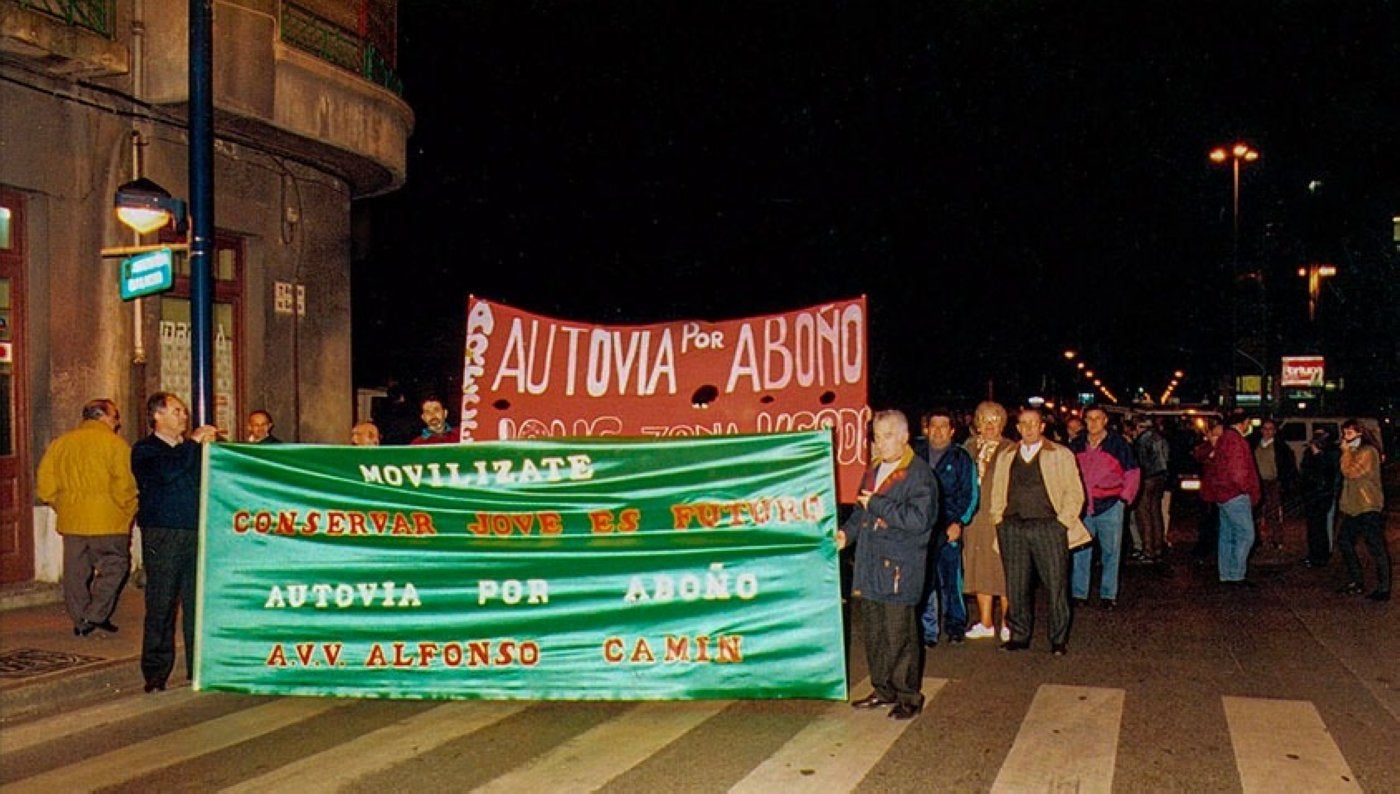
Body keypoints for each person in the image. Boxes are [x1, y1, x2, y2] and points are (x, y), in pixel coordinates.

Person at [838, 410, 936, 720]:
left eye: (888, 436)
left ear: (905, 437)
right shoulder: (874, 470)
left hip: (899, 568)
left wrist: (877, 503)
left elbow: (918, 521)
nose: (881, 443)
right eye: (877, 437)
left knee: (899, 635)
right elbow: (859, 514)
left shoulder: (919, 475)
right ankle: (883, 689)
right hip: (870, 564)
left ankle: (908, 696)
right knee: (875, 633)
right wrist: (845, 535)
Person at [131, 392, 219, 692]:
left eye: (184, 411)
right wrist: (194, 443)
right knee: (162, 603)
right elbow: (168, 472)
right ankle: (156, 672)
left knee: (197, 602)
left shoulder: (190, 449)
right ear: (157, 416)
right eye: (177, 411)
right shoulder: (145, 450)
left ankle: (198, 668)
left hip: (195, 531)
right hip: (164, 533)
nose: (184, 415)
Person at [990, 408, 1091, 655]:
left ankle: (1058, 639)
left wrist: (1062, 523)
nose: (1028, 428)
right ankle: (1019, 635)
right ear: (1017, 427)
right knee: (1016, 585)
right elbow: (997, 490)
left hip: (1048, 527)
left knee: (1056, 585)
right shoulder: (1006, 455)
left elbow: (1075, 492)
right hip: (1013, 527)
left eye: (1033, 423)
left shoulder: (1060, 454)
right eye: (1023, 424)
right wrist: (999, 520)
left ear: (1042, 426)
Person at [35, 398, 139, 637]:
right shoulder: (115, 445)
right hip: (109, 520)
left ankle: (81, 619)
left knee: (75, 573)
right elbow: (125, 485)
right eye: (115, 417)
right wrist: (129, 509)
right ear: (102, 416)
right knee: (115, 566)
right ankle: (96, 613)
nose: (117, 422)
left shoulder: (60, 444)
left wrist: (61, 505)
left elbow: (45, 484)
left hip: (72, 521)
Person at [916, 408, 978, 647]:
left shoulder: (961, 457)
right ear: (926, 429)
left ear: (952, 430)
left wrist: (959, 522)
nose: (938, 431)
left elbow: (970, 494)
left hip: (949, 526)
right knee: (924, 580)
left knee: (951, 579)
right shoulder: (914, 455)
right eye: (934, 426)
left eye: (944, 426)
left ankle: (955, 625)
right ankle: (927, 631)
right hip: (921, 527)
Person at [1070, 406, 1140, 609]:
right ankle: (1079, 594)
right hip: (1083, 506)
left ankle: (1108, 595)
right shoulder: (1076, 445)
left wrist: (1124, 499)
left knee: (1111, 552)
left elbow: (1132, 473)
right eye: (1089, 419)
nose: (1093, 423)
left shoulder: (1118, 444)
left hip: (1110, 505)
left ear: (1105, 420)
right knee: (1080, 551)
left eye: (1097, 418)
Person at [962, 401, 1015, 641]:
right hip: (974, 518)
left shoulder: (1011, 449)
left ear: (1002, 423)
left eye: (994, 420)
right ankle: (985, 622)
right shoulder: (967, 447)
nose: (989, 425)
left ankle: (1008, 622)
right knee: (979, 568)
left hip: (999, 517)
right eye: (984, 420)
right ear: (977, 423)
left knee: (1003, 570)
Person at [1193, 411, 1261, 586]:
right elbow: (1238, 472)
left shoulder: (1223, 439)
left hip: (1222, 494)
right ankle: (1236, 574)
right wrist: (1247, 489)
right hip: (1235, 494)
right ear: (1244, 422)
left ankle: (1226, 573)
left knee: (1228, 534)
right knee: (1246, 535)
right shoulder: (1236, 441)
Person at [1335, 419, 1389, 601]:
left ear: (1359, 433)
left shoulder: (1368, 451)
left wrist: (1345, 452)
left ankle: (1383, 588)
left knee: (1375, 545)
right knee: (1344, 541)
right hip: (1353, 506)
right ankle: (1357, 580)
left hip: (1368, 505)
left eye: (1349, 433)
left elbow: (1351, 472)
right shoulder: (1354, 451)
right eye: (1344, 433)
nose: (1345, 437)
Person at [1251, 418, 1296, 551]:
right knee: (1256, 512)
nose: (1267, 432)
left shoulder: (1281, 447)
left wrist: (1285, 482)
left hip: (1273, 482)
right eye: (1265, 429)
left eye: (1270, 429)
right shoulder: (1255, 445)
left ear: (1275, 431)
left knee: (1274, 512)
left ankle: (1276, 539)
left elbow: (1288, 466)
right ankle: (1257, 539)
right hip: (1257, 482)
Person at [1297, 429, 1340, 568]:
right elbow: (1305, 472)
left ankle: (1321, 556)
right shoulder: (1310, 455)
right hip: (1311, 496)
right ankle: (1313, 555)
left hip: (1321, 497)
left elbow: (1327, 478)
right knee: (1313, 527)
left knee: (1320, 528)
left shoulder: (1328, 456)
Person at [1133, 416, 1171, 564]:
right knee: (1156, 512)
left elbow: (1140, 461)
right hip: (1160, 478)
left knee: (1144, 514)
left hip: (1147, 478)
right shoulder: (1161, 438)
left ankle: (1148, 550)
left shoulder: (1143, 440)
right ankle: (1158, 547)